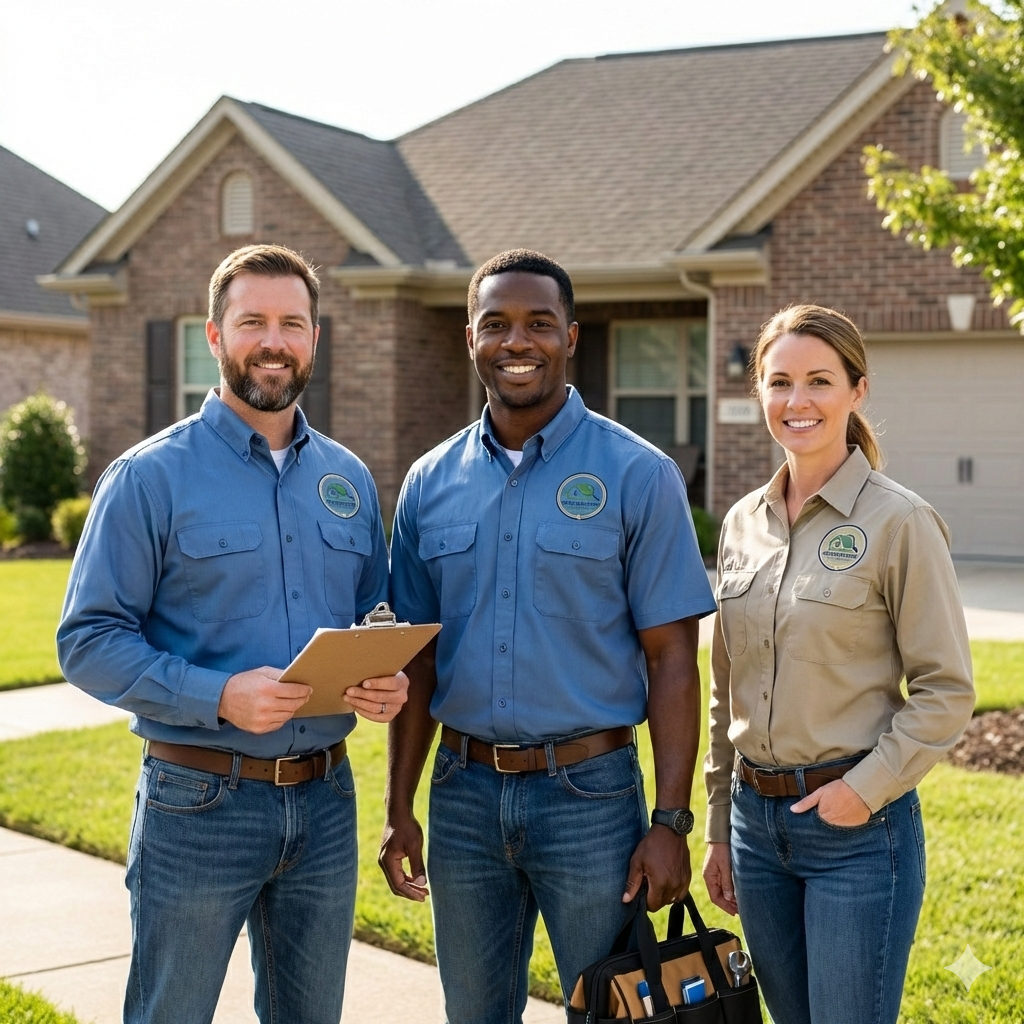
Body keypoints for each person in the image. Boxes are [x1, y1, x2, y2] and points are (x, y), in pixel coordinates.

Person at [57, 244, 409, 1024]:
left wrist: (384, 675)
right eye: (252, 321)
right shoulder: (150, 477)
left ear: (316, 337)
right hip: (198, 802)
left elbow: (372, 614)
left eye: (292, 322)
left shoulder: (347, 479)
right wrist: (217, 695)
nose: (273, 341)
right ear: (214, 337)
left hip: (325, 802)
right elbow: (86, 638)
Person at [380, 249, 717, 1023]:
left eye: (538, 323)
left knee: (612, 1011)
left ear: (571, 335)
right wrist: (401, 805)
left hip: (590, 799)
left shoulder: (639, 473)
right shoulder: (430, 483)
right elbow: (419, 660)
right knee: (473, 1012)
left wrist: (669, 822)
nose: (516, 341)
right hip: (462, 797)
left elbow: (672, 659)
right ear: (470, 339)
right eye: (495, 324)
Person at [702, 304, 975, 1024]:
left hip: (856, 833)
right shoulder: (741, 524)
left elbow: (946, 690)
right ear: (759, 391)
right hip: (754, 832)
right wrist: (716, 825)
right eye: (780, 381)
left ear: (857, 391)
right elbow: (725, 686)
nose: (798, 402)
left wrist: (864, 790)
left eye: (819, 381)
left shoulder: (900, 522)